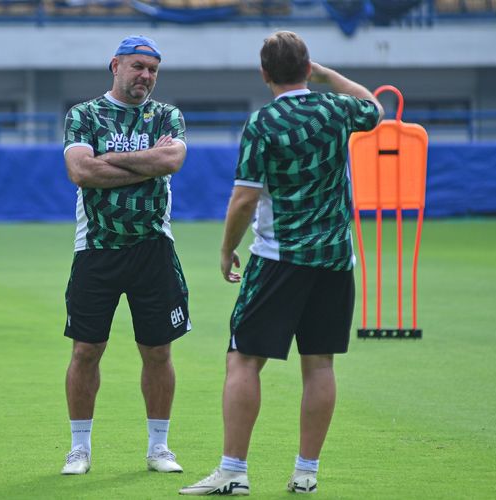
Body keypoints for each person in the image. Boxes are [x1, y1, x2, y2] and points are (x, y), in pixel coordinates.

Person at [180, 31, 382, 496]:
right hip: (334, 258)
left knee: (243, 360)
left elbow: (244, 200)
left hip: (278, 258)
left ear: (264, 74)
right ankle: (306, 472)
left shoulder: (262, 123)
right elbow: (374, 106)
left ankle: (233, 471)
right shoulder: (337, 110)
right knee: (320, 364)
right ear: (308, 69)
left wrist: (226, 247)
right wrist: (329, 76)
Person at [60, 35, 191, 476]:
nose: (146, 77)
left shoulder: (167, 114)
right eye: (138, 67)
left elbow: (172, 162)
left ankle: (159, 447)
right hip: (96, 247)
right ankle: (79, 448)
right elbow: (81, 170)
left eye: (153, 70)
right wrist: (144, 162)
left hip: (154, 247)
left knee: (157, 351)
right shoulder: (84, 114)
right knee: (86, 350)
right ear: (115, 66)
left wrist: (112, 160)